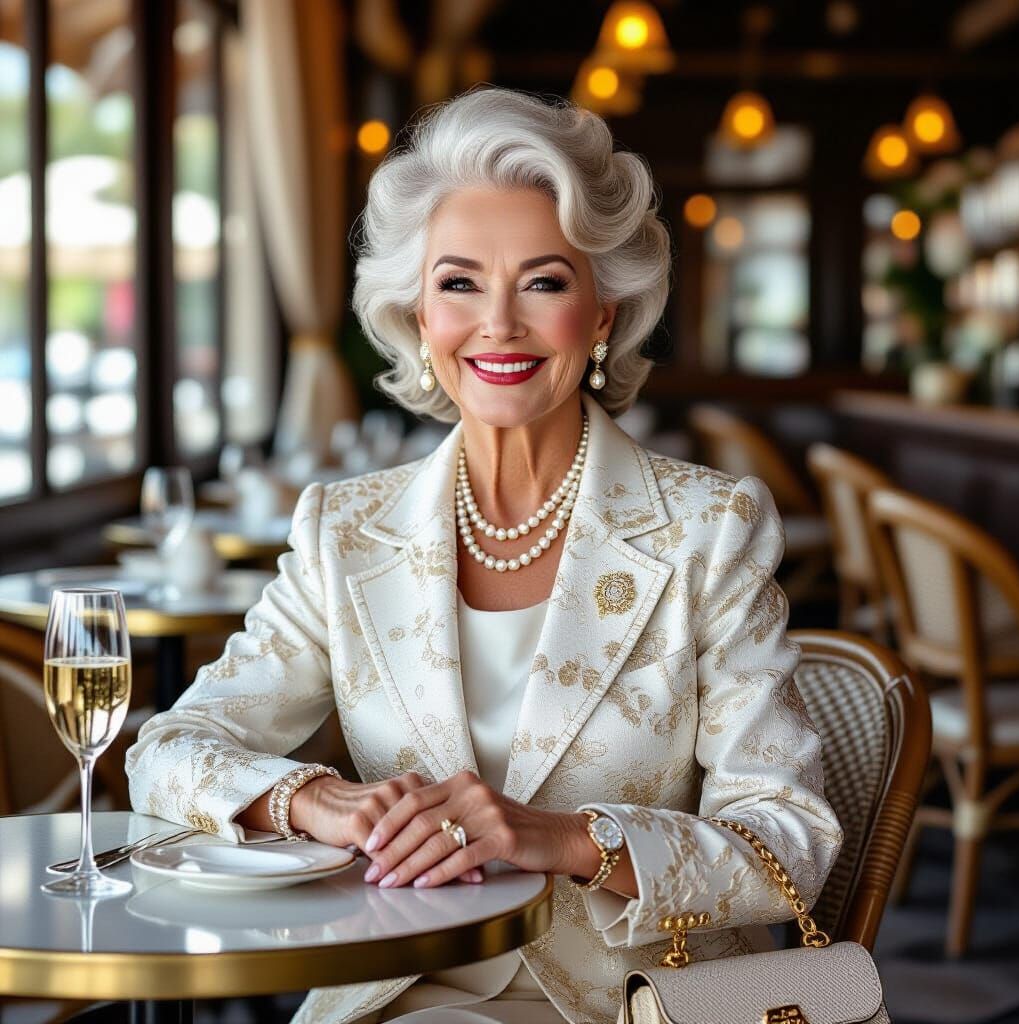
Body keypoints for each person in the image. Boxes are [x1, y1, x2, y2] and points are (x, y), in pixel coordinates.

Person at [126, 86, 841, 1024]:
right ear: (418, 316)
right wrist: (319, 803)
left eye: (544, 282)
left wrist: (562, 837)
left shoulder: (709, 527)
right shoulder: (345, 532)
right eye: (458, 283)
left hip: (628, 1004)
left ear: (604, 314)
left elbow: (790, 841)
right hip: (390, 986)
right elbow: (166, 750)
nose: (497, 325)